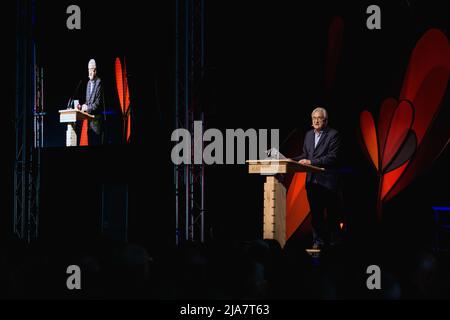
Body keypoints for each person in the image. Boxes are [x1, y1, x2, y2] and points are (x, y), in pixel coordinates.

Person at [294, 107, 342, 249]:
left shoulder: (333, 134)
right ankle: (318, 243)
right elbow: (305, 155)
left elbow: (332, 157)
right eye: (313, 118)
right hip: (312, 182)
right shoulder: (308, 135)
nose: (315, 120)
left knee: (332, 215)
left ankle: (334, 244)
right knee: (316, 215)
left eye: (319, 118)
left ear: (325, 120)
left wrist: (311, 162)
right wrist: (291, 160)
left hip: (328, 182)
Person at [75, 59, 105, 145]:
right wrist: (82, 106)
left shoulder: (99, 82)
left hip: (96, 123)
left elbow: (97, 104)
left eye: (92, 69)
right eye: (89, 69)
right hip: (89, 124)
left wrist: (87, 107)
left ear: (95, 70)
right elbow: (88, 102)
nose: (90, 72)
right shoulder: (88, 83)